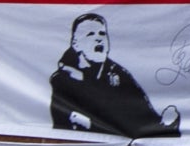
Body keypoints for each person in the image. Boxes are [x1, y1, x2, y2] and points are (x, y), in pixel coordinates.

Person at [48, 12, 181, 138]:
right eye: (90, 34)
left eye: (102, 33)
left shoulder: (119, 73)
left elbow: (142, 112)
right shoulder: (63, 79)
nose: (99, 38)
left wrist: (163, 125)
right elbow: (68, 123)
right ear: (76, 44)